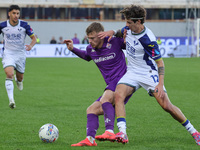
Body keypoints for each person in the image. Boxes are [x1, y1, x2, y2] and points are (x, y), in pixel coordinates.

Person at [98, 4, 200, 145]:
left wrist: (160, 83)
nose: (126, 25)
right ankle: (123, 133)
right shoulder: (129, 28)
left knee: (167, 106)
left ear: (138, 22)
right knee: (118, 95)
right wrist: (113, 32)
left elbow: (160, 63)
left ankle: (194, 132)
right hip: (132, 72)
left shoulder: (148, 40)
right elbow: (122, 31)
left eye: (129, 22)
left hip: (148, 73)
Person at [64, 22, 129, 146]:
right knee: (91, 109)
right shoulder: (91, 49)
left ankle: (109, 131)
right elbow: (87, 56)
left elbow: (131, 44)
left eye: (93, 38)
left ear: (101, 36)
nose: (90, 41)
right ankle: (90, 139)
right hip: (111, 84)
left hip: (123, 82)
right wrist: (72, 49)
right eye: (88, 38)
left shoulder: (115, 42)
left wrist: (125, 36)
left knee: (105, 99)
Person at [0, 5, 36, 109]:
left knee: (20, 78)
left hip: (20, 54)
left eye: (17, 13)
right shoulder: (3, 25)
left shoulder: (24, 25)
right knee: (9, 74)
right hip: (8, 53)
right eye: (14, 13)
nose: (16, 15)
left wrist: (30, 46)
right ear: (9, 14)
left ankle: (18, 80)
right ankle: (11, 100)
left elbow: (34, 38)